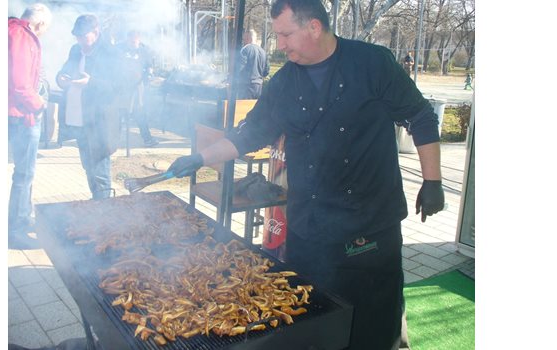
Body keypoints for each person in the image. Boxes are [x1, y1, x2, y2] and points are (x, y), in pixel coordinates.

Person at [166, 1, 445, 349]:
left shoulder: (372, 63)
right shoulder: (283, 83)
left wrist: (432, 182)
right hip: (308, 229)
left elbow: (420, 116)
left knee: (374, 326)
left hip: (367, 229)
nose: (279, 44)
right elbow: (250, 134)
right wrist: (200, 157)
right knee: (310, 320)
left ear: (314, 27)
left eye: (285, 34)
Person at [55, 14, 124, 200]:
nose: (80, 41)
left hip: (100, 124)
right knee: (88, 169)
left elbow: (118, 86)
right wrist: (60, 78)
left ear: (96, 32)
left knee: (100, 174)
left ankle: (104, 213)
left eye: (83, 36)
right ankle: (97, 207)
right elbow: (64, 71)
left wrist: (90, 82)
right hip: (79, 121)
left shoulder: (111, 53)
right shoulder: (75, 51)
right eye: (77, 37)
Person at [8, 3, 52, 235]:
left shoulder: (9, 29)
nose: (43, 34)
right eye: (45, 30)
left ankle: (21, 219)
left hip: (13, 112)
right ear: (40, 23)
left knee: (23, 173)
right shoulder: (22, 36)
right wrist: (39, 103)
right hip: (19, 115)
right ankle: (18, 228)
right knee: (24, 174)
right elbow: (21, 84)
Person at [118, 30, 158, 147]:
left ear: (139, 40)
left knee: (139, 112)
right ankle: (114, 139)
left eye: (135, 41)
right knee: (119, 113)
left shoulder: (144, 51)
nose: (132, 44)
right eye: (130, 41)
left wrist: (149, 74)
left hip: (137, 87)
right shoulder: (119, 49)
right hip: (120, 87)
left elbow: (149, 66)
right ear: (127, 39)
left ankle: (147, 139)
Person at [237, 29, 270, 99]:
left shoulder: (245, 49)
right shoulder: (263, 52)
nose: (243, 41)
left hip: (246, 86)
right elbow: (266, 71)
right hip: (259, 86)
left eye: (244, 39)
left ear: (248, 38)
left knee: (243, 109)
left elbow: (239, 67)